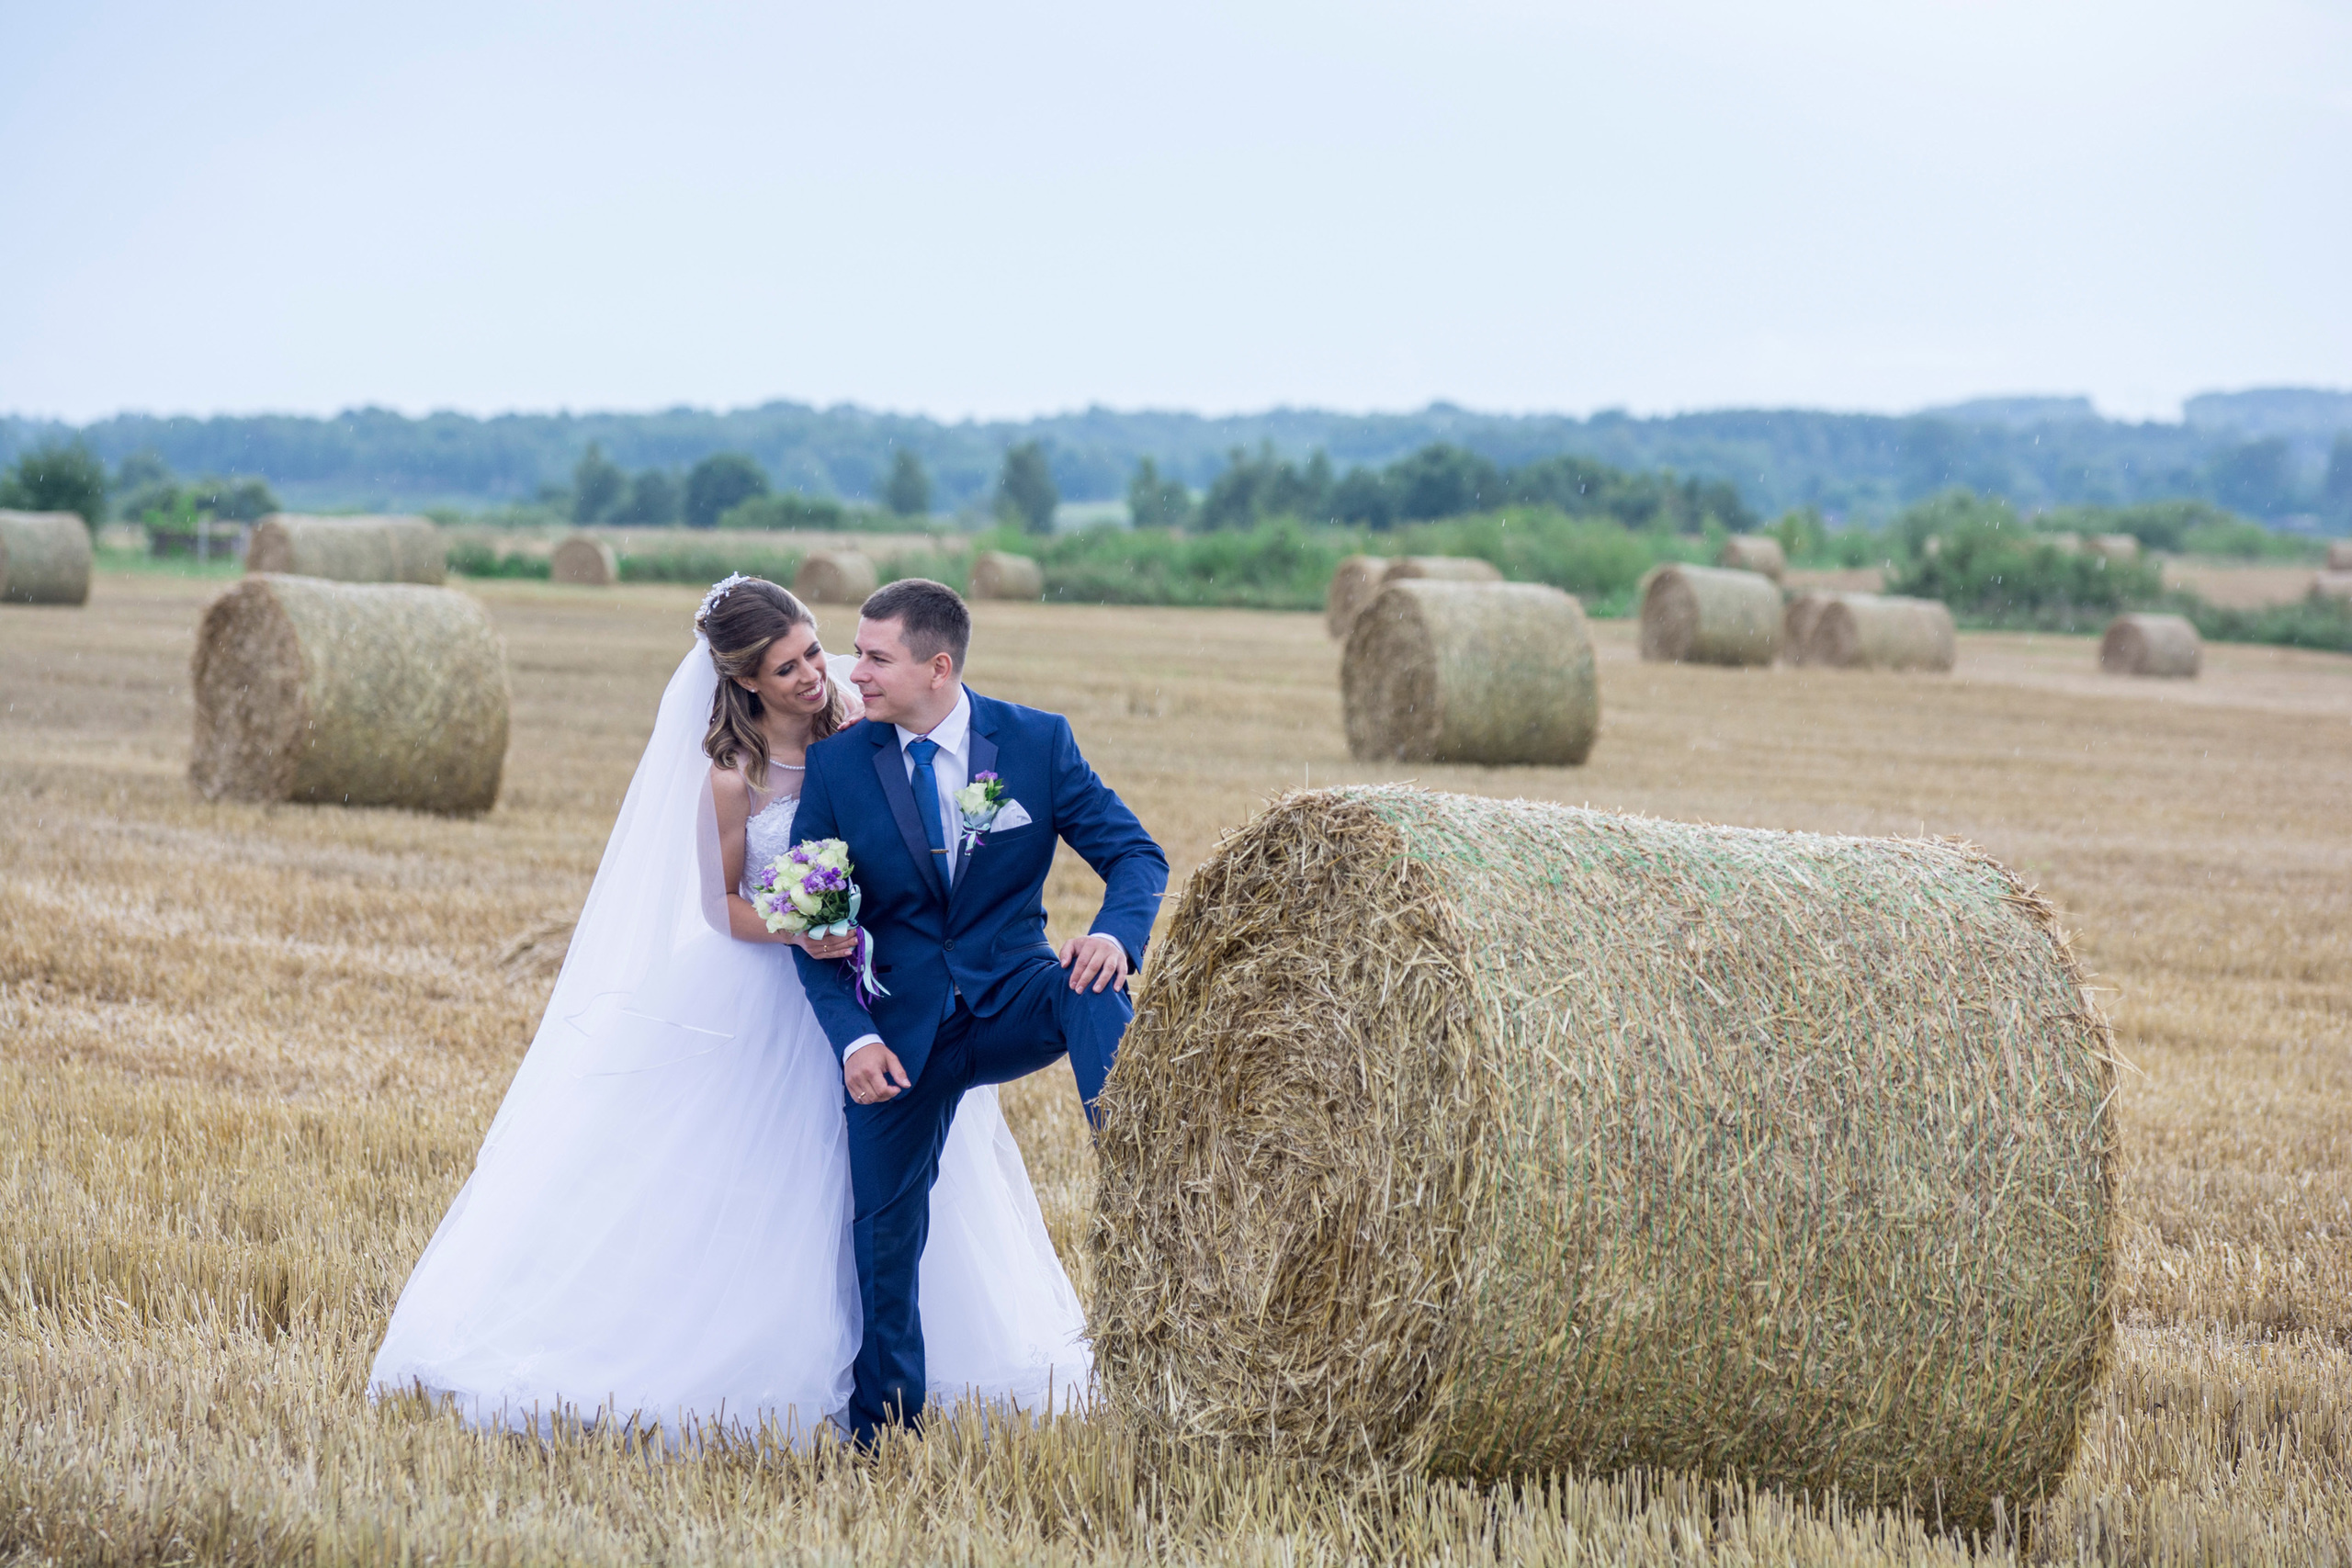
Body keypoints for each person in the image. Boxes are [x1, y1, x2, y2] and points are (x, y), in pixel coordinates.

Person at [368, 575, 1088, 1439]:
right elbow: (721, 909)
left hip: (884, 993)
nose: (815, 675)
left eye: (817, 652)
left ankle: (906, 1370)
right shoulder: (731, 777)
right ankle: (774, 1365)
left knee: (902, 1180)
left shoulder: (865, 736)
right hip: (770, 990)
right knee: (777, 1182)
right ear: (746, 681)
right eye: (788, 668)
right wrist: (809, 927)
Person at [790, 578, 1169, 1445]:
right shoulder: (840, 765)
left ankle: (1144, 1161)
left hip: (1011, 999)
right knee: (885, 1233)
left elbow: (1136, 853)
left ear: (939, 665)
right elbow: (813, 935)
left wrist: (1115, 933)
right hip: (898, 1034)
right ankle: (885, 1430)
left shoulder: (1036, 742)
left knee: (1095, 984)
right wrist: (854, 1038)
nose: (856, 671)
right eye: (856, 651)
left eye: (875, 656)